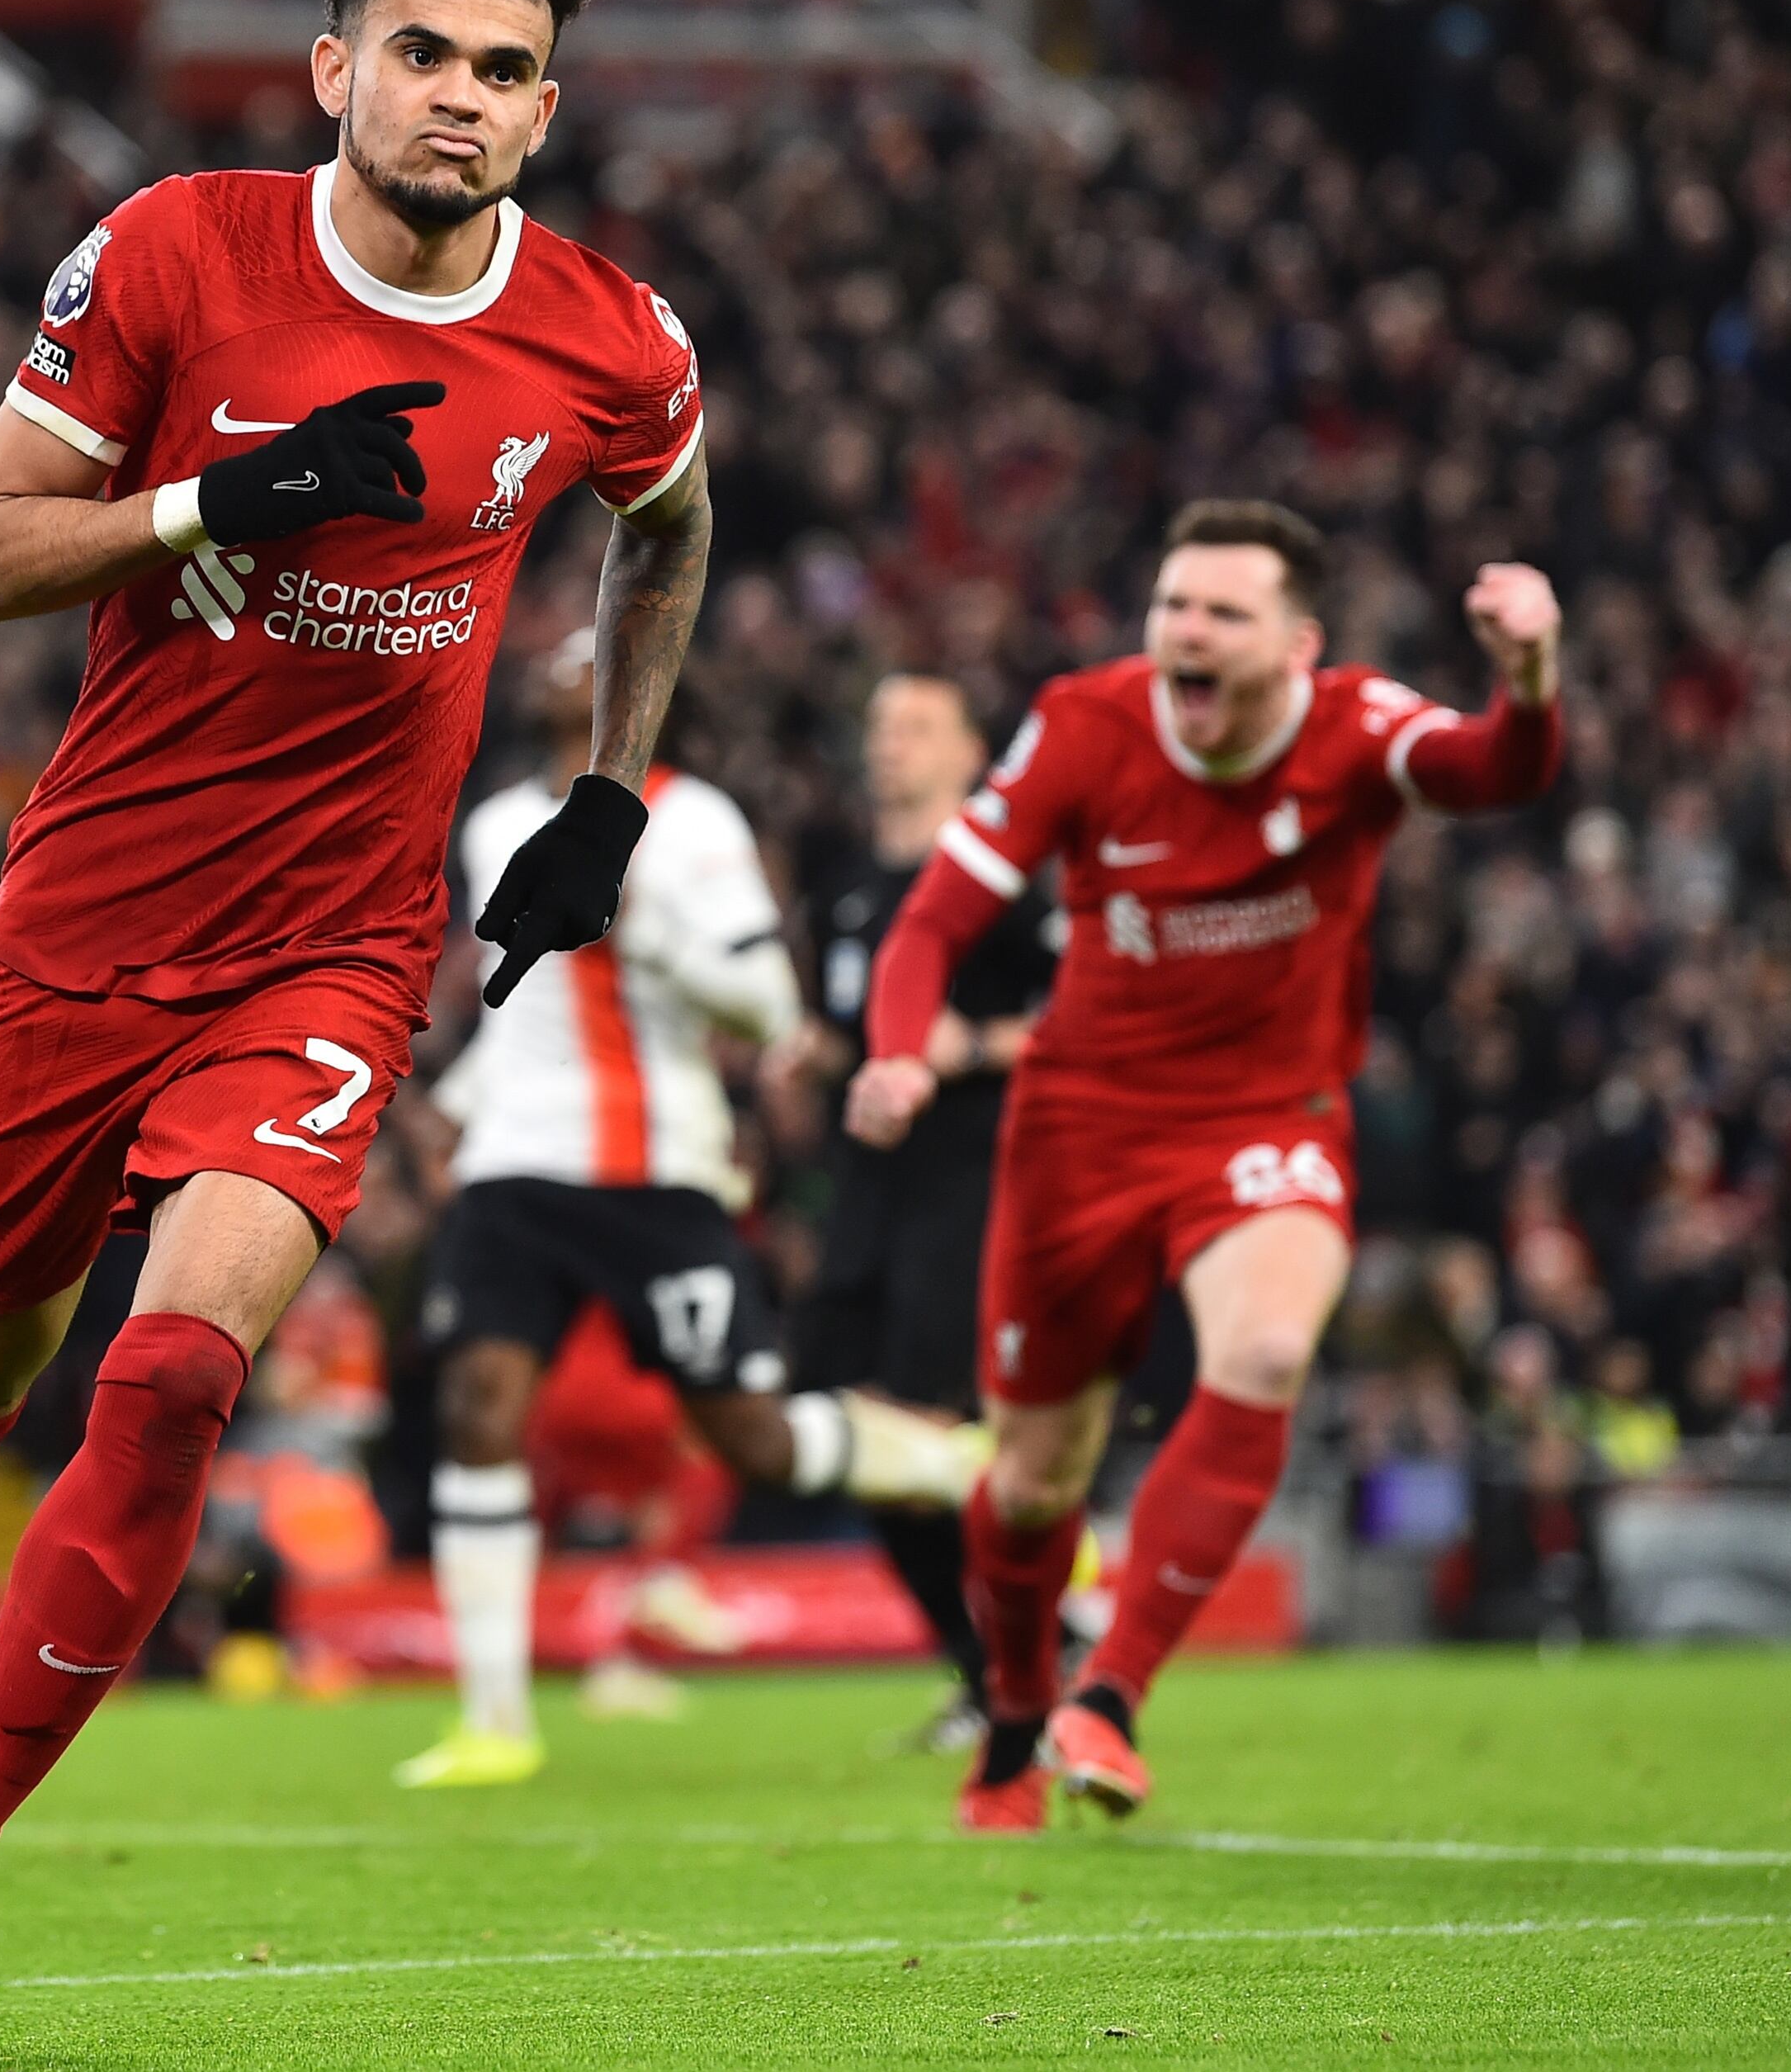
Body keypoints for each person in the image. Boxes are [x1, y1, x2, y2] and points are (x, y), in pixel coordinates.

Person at [0, 0, 711, 2063]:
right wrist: (218, 503)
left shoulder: (608, 340)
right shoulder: (177, 248)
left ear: (549, 111)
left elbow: (674, 522)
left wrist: (611, 790)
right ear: (336, 68)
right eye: (428, 53)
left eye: (509, 71)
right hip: (86, 920)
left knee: (174, 1374)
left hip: (333, 952)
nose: (463, 98)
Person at [845, 501, 1562, 1831]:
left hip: (1264, 1114)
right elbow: (932, 919)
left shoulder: (1356, 726)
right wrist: (898, 1051)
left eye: (1224, 613)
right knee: (1032, 1482)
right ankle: (1013, 1711)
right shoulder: (1085, 723)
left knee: (1271, 1349)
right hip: (1080, 1129)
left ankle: (1107, 1696)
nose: (1188, 631)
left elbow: (1493, 771)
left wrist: (1526, 673)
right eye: (1174, 604)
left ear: (1299, 641)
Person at [393, 642, 977, 1790]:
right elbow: (523, 1009)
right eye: (557, 648)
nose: (566, 656)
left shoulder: (694, 820)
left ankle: (966, 1464)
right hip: (519, 1157)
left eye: (593, 648)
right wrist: (458, 1104)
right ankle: (495, 1721)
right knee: (477, 1401)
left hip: (660, 1162)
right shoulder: (495, 819)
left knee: (747, 1435)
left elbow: (769, 1007)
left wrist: (645, 924)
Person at [796, 671, 1061, 1753]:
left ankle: (1034, 1647)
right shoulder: (851, 886)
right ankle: (993, 1659)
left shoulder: (1008, 884)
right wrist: (804, 1055)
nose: (889, 744)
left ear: (971, 752)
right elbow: (850, 1033)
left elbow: (1090, 1021)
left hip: (975, 1180)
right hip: (866, 1186)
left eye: (915, 726)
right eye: (878, 724)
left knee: (920, 1417)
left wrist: (981, 1045)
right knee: (835, 1421)